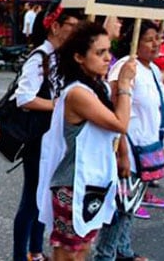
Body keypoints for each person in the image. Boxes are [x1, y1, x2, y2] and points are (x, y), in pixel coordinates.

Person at [38, 21, 135, 261]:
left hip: (93, 182)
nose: (107, 58)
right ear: (79, 57)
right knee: (68, 252)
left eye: (108, 51)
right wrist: (123, 85)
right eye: (99, 52)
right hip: (73, 184)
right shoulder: (78, 93)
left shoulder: (96, 87)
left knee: (83, 248)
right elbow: (121, 123)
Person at [93, 20, 164, 261]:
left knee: (131, 206)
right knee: (120, 208)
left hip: (149, 151)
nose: (157, 43)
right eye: (149, 39)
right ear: (134, 40)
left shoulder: (154, 70)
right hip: (130, 151)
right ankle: (104, 255)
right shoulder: (125, 68)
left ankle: (123, 251)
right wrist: (122, 153)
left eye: (158, 37)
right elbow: (113, 111)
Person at [12, 3, 80, 261]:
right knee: (31, 199)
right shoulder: (40, 57)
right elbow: (24, 97)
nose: (76, 32)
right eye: (71, 26)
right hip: (38, 139)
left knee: (46, 196)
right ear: (55, 26)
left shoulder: (62, 57)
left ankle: (36, 251)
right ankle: (21, 255)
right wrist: (60, 105)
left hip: (55, 139)